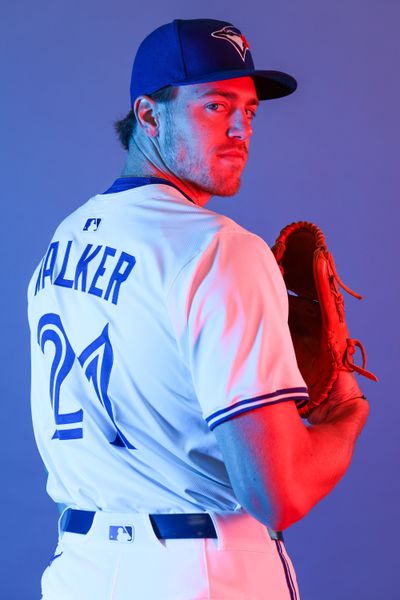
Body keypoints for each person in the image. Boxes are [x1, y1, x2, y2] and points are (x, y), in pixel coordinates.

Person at [28, 18, 370, 600]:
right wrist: (346, 414)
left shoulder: (62, 244)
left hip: (79, 571)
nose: (241, 128)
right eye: (216, 105)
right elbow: (276, 495)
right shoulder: (220, 248)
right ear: (148, 115)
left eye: (251, 111)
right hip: (198, 574)